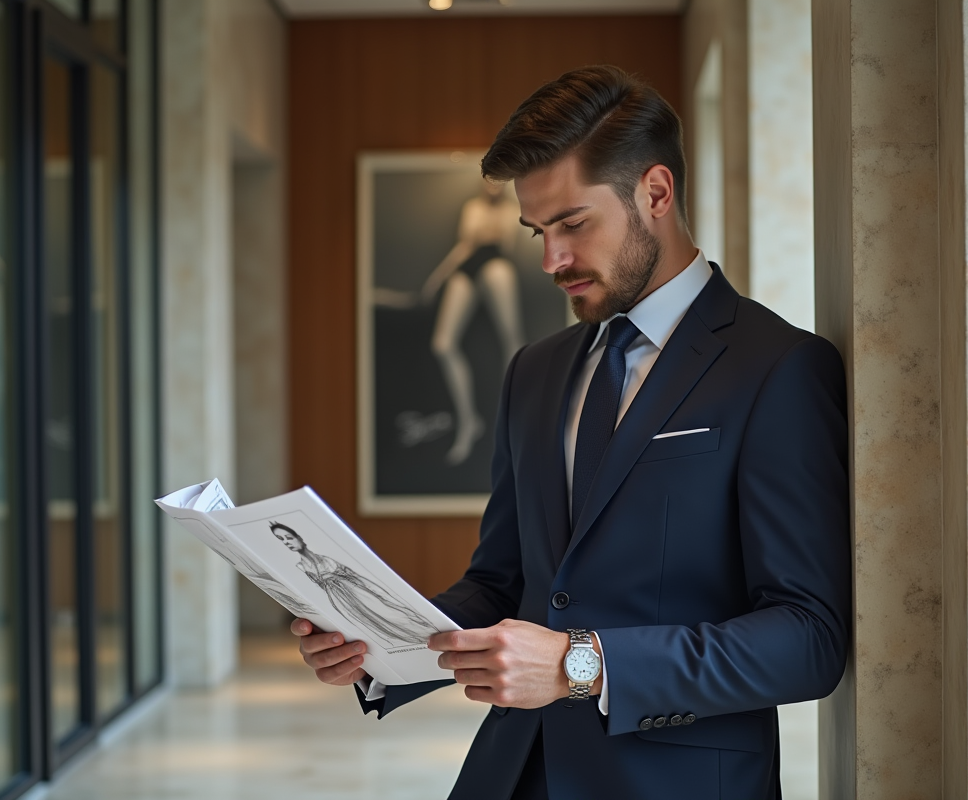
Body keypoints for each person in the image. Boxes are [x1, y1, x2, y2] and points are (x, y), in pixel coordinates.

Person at [292, 64, 850, 800]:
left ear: (656, 192)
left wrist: (576, 667)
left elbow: (807, 639)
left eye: (573, 225)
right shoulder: (536, 369)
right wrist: (379, 651)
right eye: (538, 232)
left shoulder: (779, 367)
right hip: (513, 774)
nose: (552, 260)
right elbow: (504, 583)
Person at [421, 179, 526, 465]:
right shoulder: (471, 207)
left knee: (511, 339)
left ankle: (514, 420)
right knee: (442, 344)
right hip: (468, 266)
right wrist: (438, 277)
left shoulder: (511, 209)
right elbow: (464, 246)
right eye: (490, 179)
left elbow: (505, 242)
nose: (493, 185)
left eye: (499, 180)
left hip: (496, 262)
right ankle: (468, 420)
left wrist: (489, 228)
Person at [270, 522, 437, 649]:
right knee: (370, 625)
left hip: (358, 591)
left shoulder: (327, 557)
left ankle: (421, 639)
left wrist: (376, 591)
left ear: (298, 537)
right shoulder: (301, 567)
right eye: (282, 540)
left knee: (387, 612)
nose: (287, 542)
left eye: (289, 537)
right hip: (340, 600)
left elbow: (354, 575)